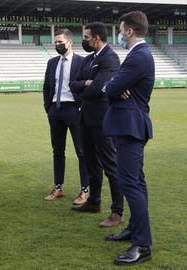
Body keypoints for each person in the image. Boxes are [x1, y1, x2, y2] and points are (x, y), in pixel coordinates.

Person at [102, 11, 155, 266]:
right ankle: (135, 231)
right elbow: (115, 87)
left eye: (121, 30)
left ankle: (142, 245)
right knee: (136, 183)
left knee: (130, 185)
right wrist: (113, 86)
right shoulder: (137, 56)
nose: (120, 34)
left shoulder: (139, 57)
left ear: (130, 31)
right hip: (129, 126)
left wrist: (110, 87)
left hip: (130, 128)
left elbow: (111, 88)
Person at [69, 22, 124, 228]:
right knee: (91, 163)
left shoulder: (110, 58)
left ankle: (117, 212)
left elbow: (98, 89)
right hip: (85, 119)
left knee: (110, 165)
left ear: (97, 38)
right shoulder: (90, 59)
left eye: (86, 37)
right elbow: (73, 84)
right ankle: (94, 202)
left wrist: (86, 85)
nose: (83, 40)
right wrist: (85, 83)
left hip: (103, 120)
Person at [42, 29, 89, 205]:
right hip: (55, 110)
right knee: (57, 151)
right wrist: (48, 107)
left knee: (82, 151)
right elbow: (47, 86)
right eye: (55, 42)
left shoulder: (82, 62)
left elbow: (86, 87)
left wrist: (81, 107)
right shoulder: (52, 62)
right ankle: (58, 188)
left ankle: (85, 190)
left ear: (70, 42)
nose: (57, 45)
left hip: (74, 110)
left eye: (60, 42)